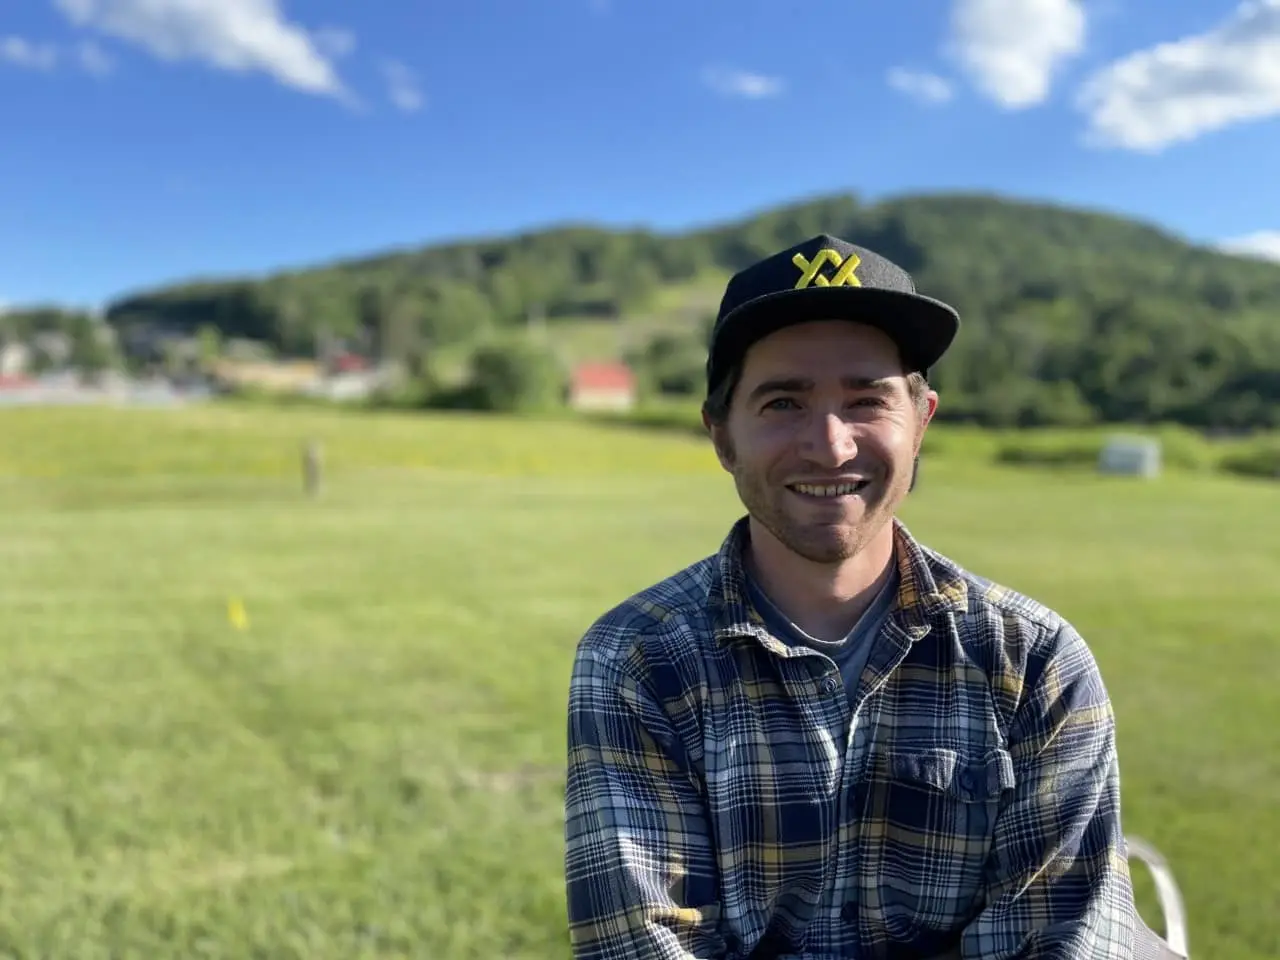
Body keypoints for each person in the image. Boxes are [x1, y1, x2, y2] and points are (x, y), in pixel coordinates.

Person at [563, 235, 1141, 959]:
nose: (831, 446)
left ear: (922, 419)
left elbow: (1062, 939)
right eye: (782, 403)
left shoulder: (1036, 661)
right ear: (722, 436)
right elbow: (642, 946)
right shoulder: (637, 660)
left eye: (867, 400)